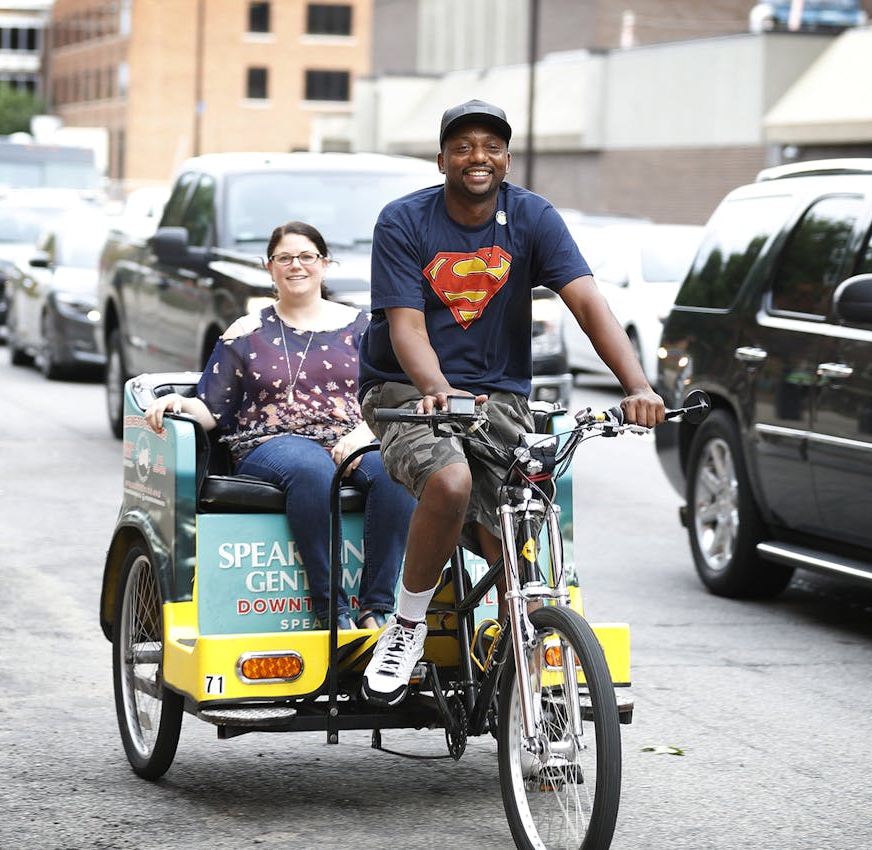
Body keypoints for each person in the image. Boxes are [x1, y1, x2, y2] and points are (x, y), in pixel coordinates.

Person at [357, 99, 666, 705]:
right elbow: (407, 328)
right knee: (448, 484)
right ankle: (408, 625)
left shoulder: (531, 217)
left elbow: (587, 304)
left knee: (517, 522)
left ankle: (527, 673)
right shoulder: (403, 221)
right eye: (464, 146)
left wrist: (637, 387)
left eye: (491, 146)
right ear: (442, 157)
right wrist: (437, 390)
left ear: (507, 156)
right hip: (404, 389)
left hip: (498, 394)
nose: (479, 157)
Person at [143, 221, 415, 632]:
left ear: (325, 264)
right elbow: (211, 408)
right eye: (284, 258)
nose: (296, 265)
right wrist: (179, 403)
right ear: (269, 268)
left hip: (350, 437)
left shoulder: (364, 327)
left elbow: (390, 395)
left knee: (396, 470)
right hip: (269, 444)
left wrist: (366, 433)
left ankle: (376, 609)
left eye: (306, 256)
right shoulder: (247, 331)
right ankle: (332, 611)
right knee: (312, 470)